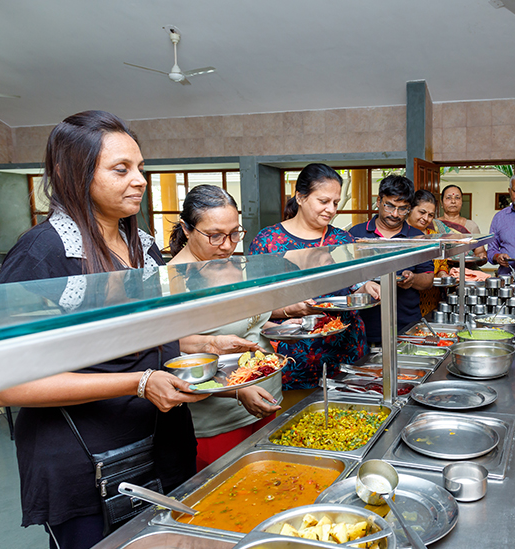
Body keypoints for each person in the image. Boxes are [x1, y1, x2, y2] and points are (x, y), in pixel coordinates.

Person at [0, 110, 203, 549]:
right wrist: (137, 383)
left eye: (141, 168)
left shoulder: (141, 244)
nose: (140, 181)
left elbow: (139, 336)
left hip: (158, 444)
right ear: (71, 173)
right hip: (86, 461)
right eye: (121, 169)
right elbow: (4, 387)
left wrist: (202, 344)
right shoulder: (43, 253)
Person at [167, 185, 283, 471]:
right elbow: (175, 358)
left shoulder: (231, 264)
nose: (228, 245)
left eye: (234, 233)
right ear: (187, 228)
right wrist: (237, 391)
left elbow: (246, 323)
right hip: (220, 415)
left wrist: (280, 319)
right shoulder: (172, 281)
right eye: (215, 235)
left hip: (266, 393)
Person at [249, 163, 378, 389]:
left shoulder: (343, 240)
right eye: (323, 201)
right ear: (300, 197)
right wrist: (289, 309)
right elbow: (252, 305)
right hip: (293, 352)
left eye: (336, 203)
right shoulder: (268, 241)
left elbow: (353, 288)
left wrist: (366, 289)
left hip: (345, 347)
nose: (331, 209)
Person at [348, 174, 435, 343]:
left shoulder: (417, 237)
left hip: (406, 325)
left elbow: (428, 279)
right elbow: (343, 280)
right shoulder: (356, 234)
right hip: (364, 325)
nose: (395, 214)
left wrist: (413, 279)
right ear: (379, 201)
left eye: (403, 209)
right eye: (390, 206)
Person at [407, 189, 452, 317]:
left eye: (431, 215)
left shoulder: (434, 237)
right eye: (422, 212)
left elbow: (443, 262)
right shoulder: (401, 235)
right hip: (408, 302)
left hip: (433, 300)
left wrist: (443, 272)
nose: (425, 218)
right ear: (410, 208)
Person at [438, 184, 487, 259]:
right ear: (441, 203)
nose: (453, 201)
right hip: (440, 269)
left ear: (462, 202)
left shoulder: (471, 225)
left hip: (466, 268)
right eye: (448, 198)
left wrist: (481, 256)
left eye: (457, 198)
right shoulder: (434, 225)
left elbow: (480, 251)